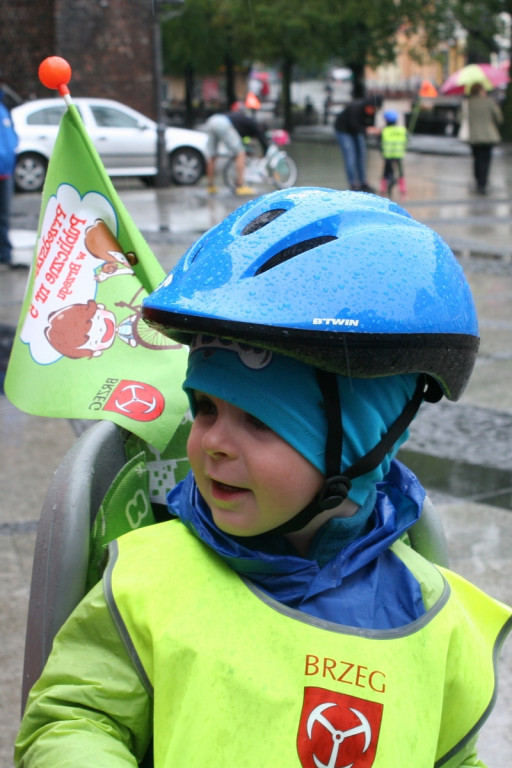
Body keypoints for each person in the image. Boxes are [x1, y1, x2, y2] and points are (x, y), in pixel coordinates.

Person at [15, 188, 511, 768]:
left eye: (259, 421)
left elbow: (451, 755)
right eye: (204, 407)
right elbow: (75, 717)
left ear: (361, 441)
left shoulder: (433, 616)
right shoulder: (147, 580)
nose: (214, 443)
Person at [203, 99, 267, 196]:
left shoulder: (241, 121)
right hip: (223, 124)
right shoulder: (254, 125)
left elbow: (238, 138)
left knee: (212, 155)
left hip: (212, 120)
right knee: (240, 153)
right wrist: (265, 152)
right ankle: (240, 185)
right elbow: (262, 140)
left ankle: (210, 186)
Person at [334, 95, 382, 191]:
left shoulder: (372, 111)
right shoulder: (356, 108)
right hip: (344, 130)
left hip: (358, 131)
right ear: (368, 106)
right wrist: (367, 130)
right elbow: (354, 125)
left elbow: (369, 124)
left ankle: (363, 182)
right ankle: (353, 184)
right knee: (350, 156)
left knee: (362, 156)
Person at [0, 85, 24, 270]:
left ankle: (5, 256)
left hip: (6, 172)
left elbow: (10, 137)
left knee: (4, 217)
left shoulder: (3, 107)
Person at [466, 82, 503, 195]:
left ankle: (478, 181)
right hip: (488, 135)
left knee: (477, 159)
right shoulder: (489, 101)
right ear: (480, 91)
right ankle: (484, 181)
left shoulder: (468, 103)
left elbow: (460, 118)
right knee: (486, 160)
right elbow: (499, 118)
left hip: (474, 135)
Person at [379, 109, 408, 197]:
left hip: (388, 155)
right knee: (400, 171)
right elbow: (406, 141)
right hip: (398, 154)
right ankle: (402, 188)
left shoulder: (385, 131)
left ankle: (383, 188)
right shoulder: (402, 130)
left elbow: (380, 143)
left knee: (386, 171)